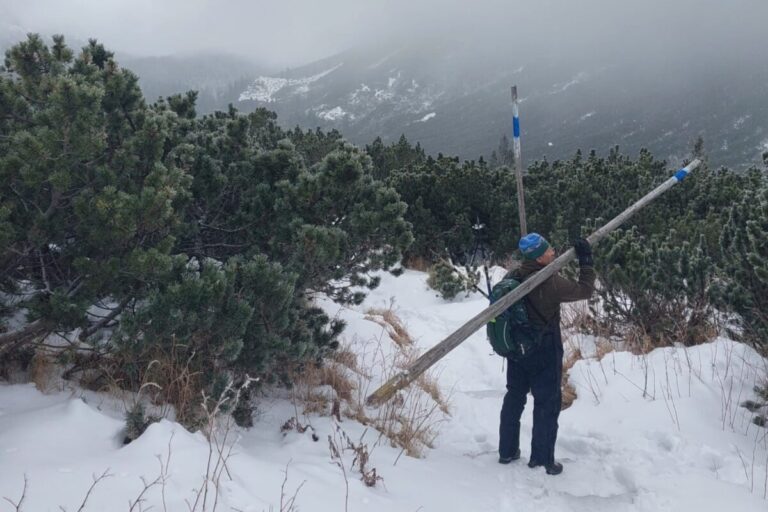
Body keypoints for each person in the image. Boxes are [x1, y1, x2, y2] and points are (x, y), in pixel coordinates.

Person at [498, 233, 595, 475]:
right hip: (544, 347)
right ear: (540, 256)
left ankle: (507, 450)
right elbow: (585, 291)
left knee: (514, 395)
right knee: (547, 401)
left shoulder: (513, 276)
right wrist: (586, 261)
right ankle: (542, 460)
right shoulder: (550, 283)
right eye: (549, 249)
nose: (553, 252)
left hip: (516, 349)